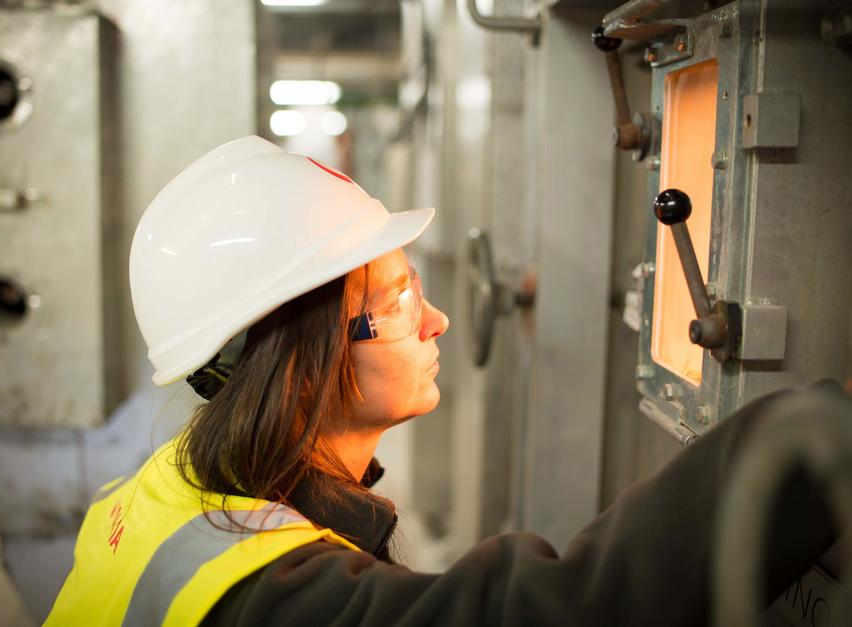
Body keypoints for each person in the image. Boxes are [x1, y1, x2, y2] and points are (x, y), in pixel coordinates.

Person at [45, 136, 840, 627]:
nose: (437, 322)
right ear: (300, 361)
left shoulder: (163, 493)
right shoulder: (270, 601)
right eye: (396, 301)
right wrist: (814, 435)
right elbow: (571, 612)